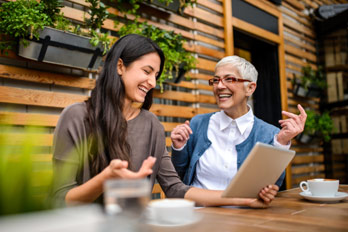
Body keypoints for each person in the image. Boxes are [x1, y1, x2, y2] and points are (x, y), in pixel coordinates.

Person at [51, 35, 277, 209]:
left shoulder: (151, 125)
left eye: (156, 75)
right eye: (147, 71)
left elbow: (176, 188)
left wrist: (246, 199)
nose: (152, 82)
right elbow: (61, 200)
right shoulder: (77, 117)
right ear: (120, 67)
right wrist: (106, 178)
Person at [171, 56, 307, 197]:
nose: (219, 86)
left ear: (250, 88)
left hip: (243, 215)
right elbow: (177, 178)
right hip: (198, 211)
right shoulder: (197, 124)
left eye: (229, 79)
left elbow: (271, 187)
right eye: (216, 80)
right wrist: (179, 147)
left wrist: (281, 143)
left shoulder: (270, 133)